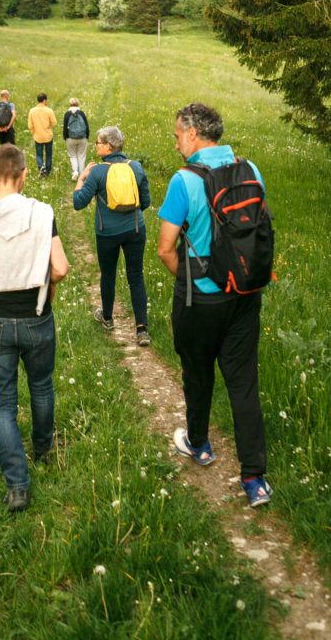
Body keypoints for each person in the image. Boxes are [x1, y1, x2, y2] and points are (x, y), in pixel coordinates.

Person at [156, 102, 271, 507]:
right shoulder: (250, 169)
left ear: (192, 134)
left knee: (198, 374)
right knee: (243, 384)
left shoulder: (183, 180)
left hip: (201, 300)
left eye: (176, 136)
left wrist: (193, 281)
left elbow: (165, 249)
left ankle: (200, 444)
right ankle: (255, 479)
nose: (175, 145)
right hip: (245, 297)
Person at [0, 144, 69, 512]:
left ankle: (17, 486)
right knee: (41, 385)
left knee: (3, 402)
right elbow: (61, 268)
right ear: (24, 175)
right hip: (36, 316)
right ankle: (43, 448)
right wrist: (43, 283)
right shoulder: (42, 212)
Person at [73, 125, 152, 346]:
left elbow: (78, 203)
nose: (96, 145)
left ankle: (107, 318)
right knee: (135, 276)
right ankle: (141, 329)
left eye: (98, 142)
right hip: (135, 229)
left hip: (107, 233)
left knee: (108, 275)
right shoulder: (135, 167)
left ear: (108, 146)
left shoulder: (97, 171)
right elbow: (145, 202)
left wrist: (82, 178)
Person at [27, 92, 57, 177]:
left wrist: (34, 133)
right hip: (48, 136)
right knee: (48, 154)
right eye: (46, 100)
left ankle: (41, 168)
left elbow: (30, 125)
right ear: (44, 100)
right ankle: (47, 171)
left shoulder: (32, 111)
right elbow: (54, 123)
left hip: (38, 136)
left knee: (39, 154)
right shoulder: (49, 110)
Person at [62, 97, 90, 180]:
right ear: (78, 104)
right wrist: (87, 136)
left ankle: (75, 171)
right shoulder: (82, 113)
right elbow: (86, 125)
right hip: (82, 137)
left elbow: (64, 127)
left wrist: (66, 137)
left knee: (73, 156)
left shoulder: (67, 114)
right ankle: (81, 175)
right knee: (81, 156)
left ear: (70, 104)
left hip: (71, 138)